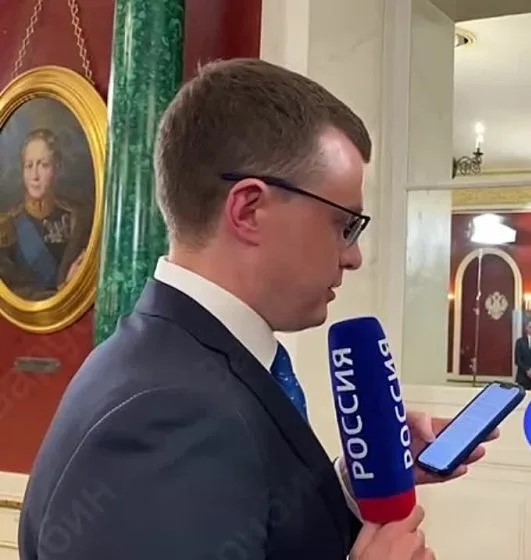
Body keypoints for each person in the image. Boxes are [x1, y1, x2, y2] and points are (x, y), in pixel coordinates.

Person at [18, 59, 494, 560]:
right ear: (249, 210)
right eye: (344, 225)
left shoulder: (176, 357)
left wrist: (356, 486)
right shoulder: (172, 414)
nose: (353, 256)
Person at [0, 128, 90, 299]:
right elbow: (9, 294)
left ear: (57, 168)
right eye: (29, 166)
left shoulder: (77, 220)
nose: (35, 176)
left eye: (43, 165)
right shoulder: (8, 225)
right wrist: (63, 290)